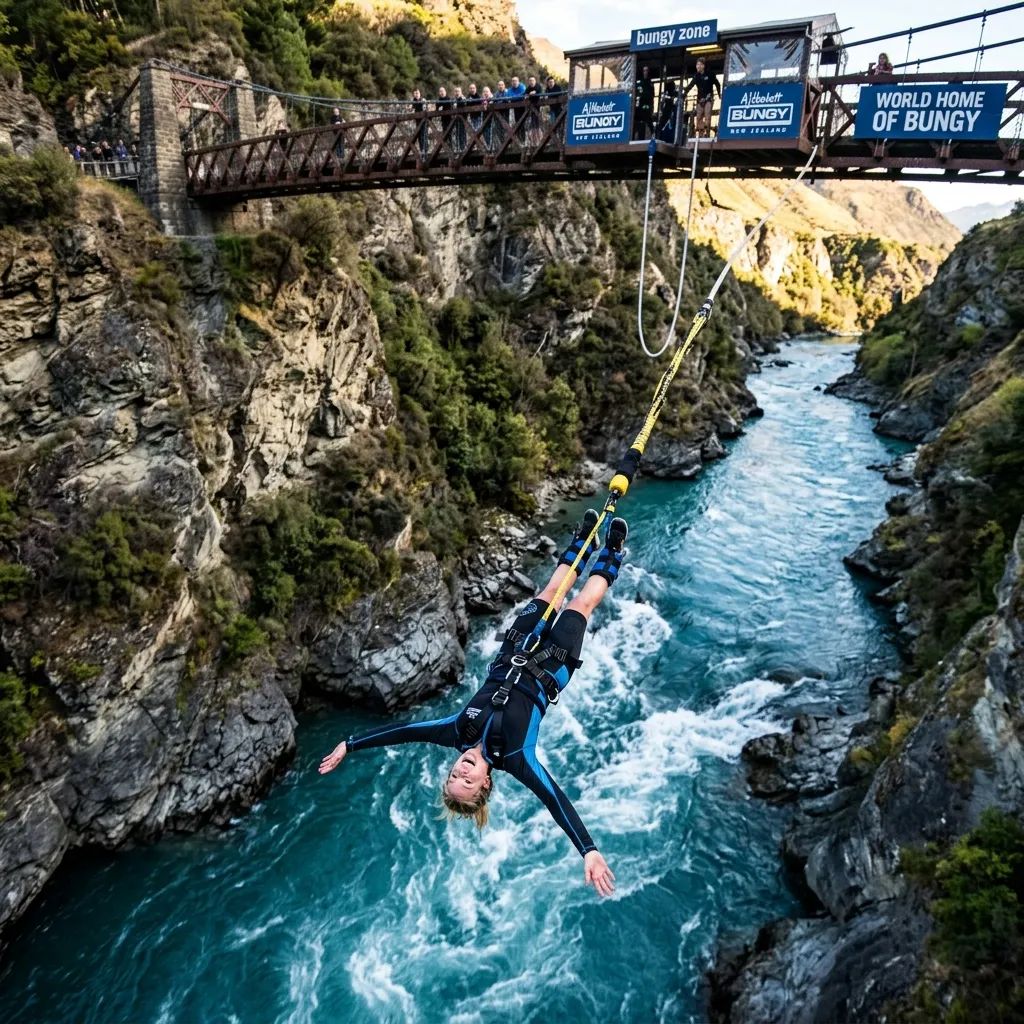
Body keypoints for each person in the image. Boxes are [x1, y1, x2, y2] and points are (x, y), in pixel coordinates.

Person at [319, 511, 630, 897]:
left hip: (513, 651)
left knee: (549, 594)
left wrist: (350, 743)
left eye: (454, 777)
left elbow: (401, 733)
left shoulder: (455, 732)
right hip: (552, 666)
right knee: (579, 606)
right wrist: (588, 850)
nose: (461, 773)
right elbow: (555, 801)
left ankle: (583, 544)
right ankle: (613, 553)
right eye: (467, 782)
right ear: (485, 783)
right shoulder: (517, 757)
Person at [683, 58, 720, 138]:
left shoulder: (710, 74)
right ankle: (700, 134)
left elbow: (717, 84)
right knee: (699, 117)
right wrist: (684, 93)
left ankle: (707, 134)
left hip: (708, 98)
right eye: (697, 65)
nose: (698, 66)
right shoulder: (696, 76)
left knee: (707, 115)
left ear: (703, 66)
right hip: (700, 99)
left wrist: (719, 95)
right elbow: (690, 85)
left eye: (700, 64)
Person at [634, 66, 654, 140]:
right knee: (638, 121)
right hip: (639, 105)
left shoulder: (650, 82)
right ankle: (636, 136)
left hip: (647, 105)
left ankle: (652, 135)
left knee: (648, 120)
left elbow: (652, 95)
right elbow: (636, 92)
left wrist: (651, 106)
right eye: (644, 70)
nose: (645, 72)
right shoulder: (639, 82)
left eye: (647, 70)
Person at [657, 79, 679, 144]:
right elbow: (662, 103)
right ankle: (661, 138)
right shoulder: (665, 94)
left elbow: (675, 101)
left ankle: (668, 139)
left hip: (671, 111)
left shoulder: (675, 94)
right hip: (666, 111)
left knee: (669, 125)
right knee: (663, 125)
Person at [411, 88, 428, 159]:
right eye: (415, 93)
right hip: (417, 121)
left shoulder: (423, 100)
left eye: (417, 93)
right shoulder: (413, 101)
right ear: (413, 94)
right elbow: (410, 109)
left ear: (420, 94)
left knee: (423, 136)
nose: (416, 95)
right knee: (419, 137)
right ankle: (422, 151)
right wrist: (410, 108)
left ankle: (425, 151)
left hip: (423, 121)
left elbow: (425, 110)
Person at [452, 85, 467, 151]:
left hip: (463, 120)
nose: (457, 93)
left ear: (461, 92)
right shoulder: (453, 100)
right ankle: (458, 149)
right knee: (457, 134)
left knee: (462, 133)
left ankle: (463, 148)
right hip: (455, 120)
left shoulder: (464, 99)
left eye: (458, 91)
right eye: (456, 91)